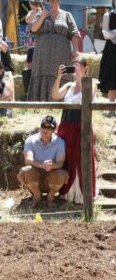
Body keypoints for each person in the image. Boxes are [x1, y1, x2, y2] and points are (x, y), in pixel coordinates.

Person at [52, 60, 98, 203]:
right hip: (66, 126)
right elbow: (55, 96)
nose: (75, 68)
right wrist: (59, 77)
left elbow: (88, 96)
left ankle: (82, 195)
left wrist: (80, 78)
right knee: (67, 158)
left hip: (81, 126)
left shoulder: (92, 84)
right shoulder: (68, 85)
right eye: (74, 65)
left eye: (78, 65)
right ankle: (66, 193)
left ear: (86, 68)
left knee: (81, 159)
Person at [27, 0, 80, 101]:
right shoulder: (40, 14)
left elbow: (75, 33)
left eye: (52, 1)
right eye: (47, 1)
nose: (50, 3)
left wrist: (75, 50)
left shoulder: (66, 15)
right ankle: (40, 101)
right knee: (42, 74)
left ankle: (61, 100)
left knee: (62, 74)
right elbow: (33, 29)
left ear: (58, 1)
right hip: (43, 56)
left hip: (62, 55)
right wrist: (42, 17)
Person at [17, 115, 68, 207]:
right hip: (35, 176)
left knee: (62, 173)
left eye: (49, 127)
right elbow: (28, 160)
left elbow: (60, 163)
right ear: (40, 127)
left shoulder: (60, 142)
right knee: (26, 170)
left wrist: (52, 166)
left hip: (51, 176)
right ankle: (37, 196)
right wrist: (42, 165)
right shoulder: (31, 140)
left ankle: (51, 197)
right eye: (43, 126)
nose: (46, 130)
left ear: (54, 130)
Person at [99, 0, 116, 117]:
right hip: (111, 50)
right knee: (112, 78)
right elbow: (105, 34)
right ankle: (111, 109)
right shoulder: (107, 15)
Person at [22, 0, 42, 94]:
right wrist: (34, 11)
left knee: (36, 59)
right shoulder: (31, 12)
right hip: (30, 40)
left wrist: (37, 11)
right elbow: (27, 20)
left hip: (37, 40)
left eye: (32, 4)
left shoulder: (42, 13)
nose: (31, 6)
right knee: (29, 61)